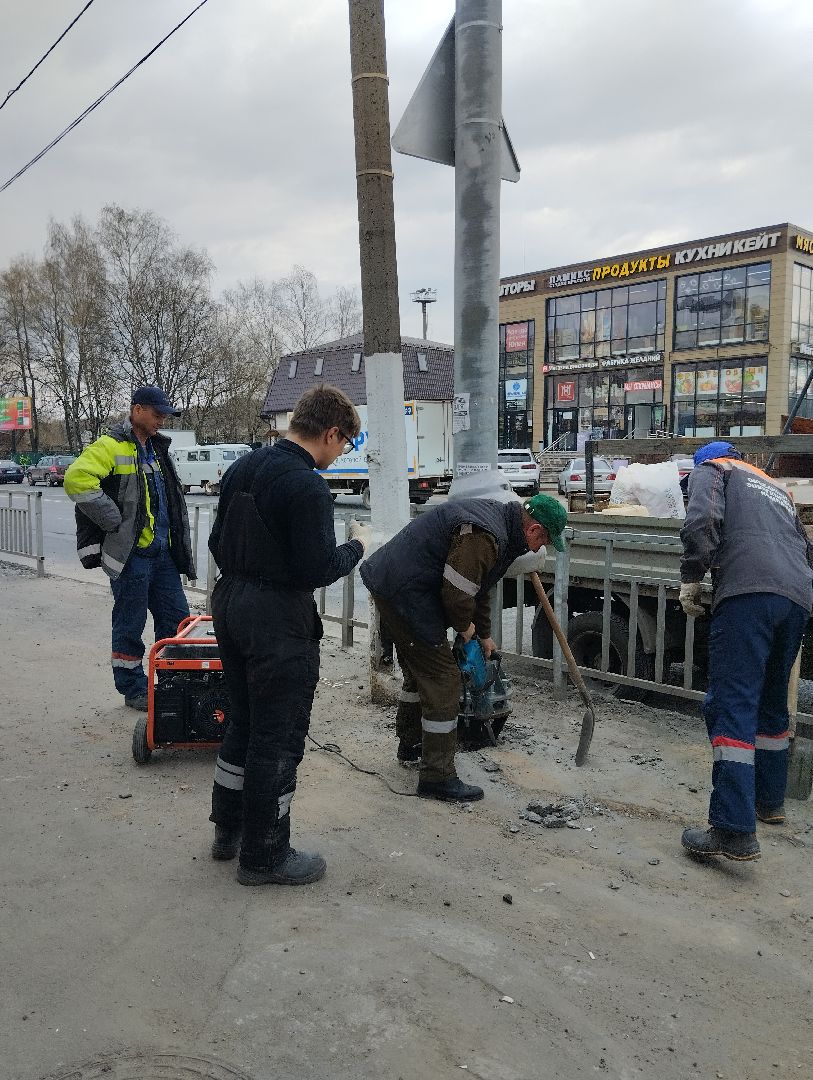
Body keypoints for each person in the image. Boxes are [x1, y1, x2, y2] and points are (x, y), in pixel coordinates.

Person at [207, 385, 370, 886]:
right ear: (330, 432)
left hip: (230, 602)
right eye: (344, 444)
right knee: (277, 739)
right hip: (277, 619)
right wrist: (358, 547)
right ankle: (265, 855)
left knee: (244, 722)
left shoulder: (243, 467)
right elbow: (317, 566)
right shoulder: (306, 486)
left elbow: (216, 541)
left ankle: (228, 832)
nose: (340, 454)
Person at [360, 493, 567, 802]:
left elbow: (478, 587)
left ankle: (412, 744)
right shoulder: (486, 536)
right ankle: (437, 777)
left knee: (422, 674)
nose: (541, 549)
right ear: (535, 530)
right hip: (405, 591)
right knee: (444, 680)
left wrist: (483, 635)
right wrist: (466, 629)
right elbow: (458, 595)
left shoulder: (502, 528)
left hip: (400, 584)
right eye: (545, 542)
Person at [679, 440, 813, 862]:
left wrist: (692, 575)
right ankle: (769, 802)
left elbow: (701, 521)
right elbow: (805, 548)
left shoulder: (712, 470)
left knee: (732, 704)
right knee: (772, 702)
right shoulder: (773, 487)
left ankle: (733, 829)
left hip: (748, 593)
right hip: (797, 597)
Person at [64, 386, 195, 711]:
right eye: (157, 413)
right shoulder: (110, 446)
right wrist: (115, 521)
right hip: (131, 558)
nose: (161, 420)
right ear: (137, 410)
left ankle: (172, 683)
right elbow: (76, 480)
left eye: (165, 414)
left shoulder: (157, 448)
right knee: (129, 624)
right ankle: (134, 689)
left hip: (162, 557)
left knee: (177, 622)